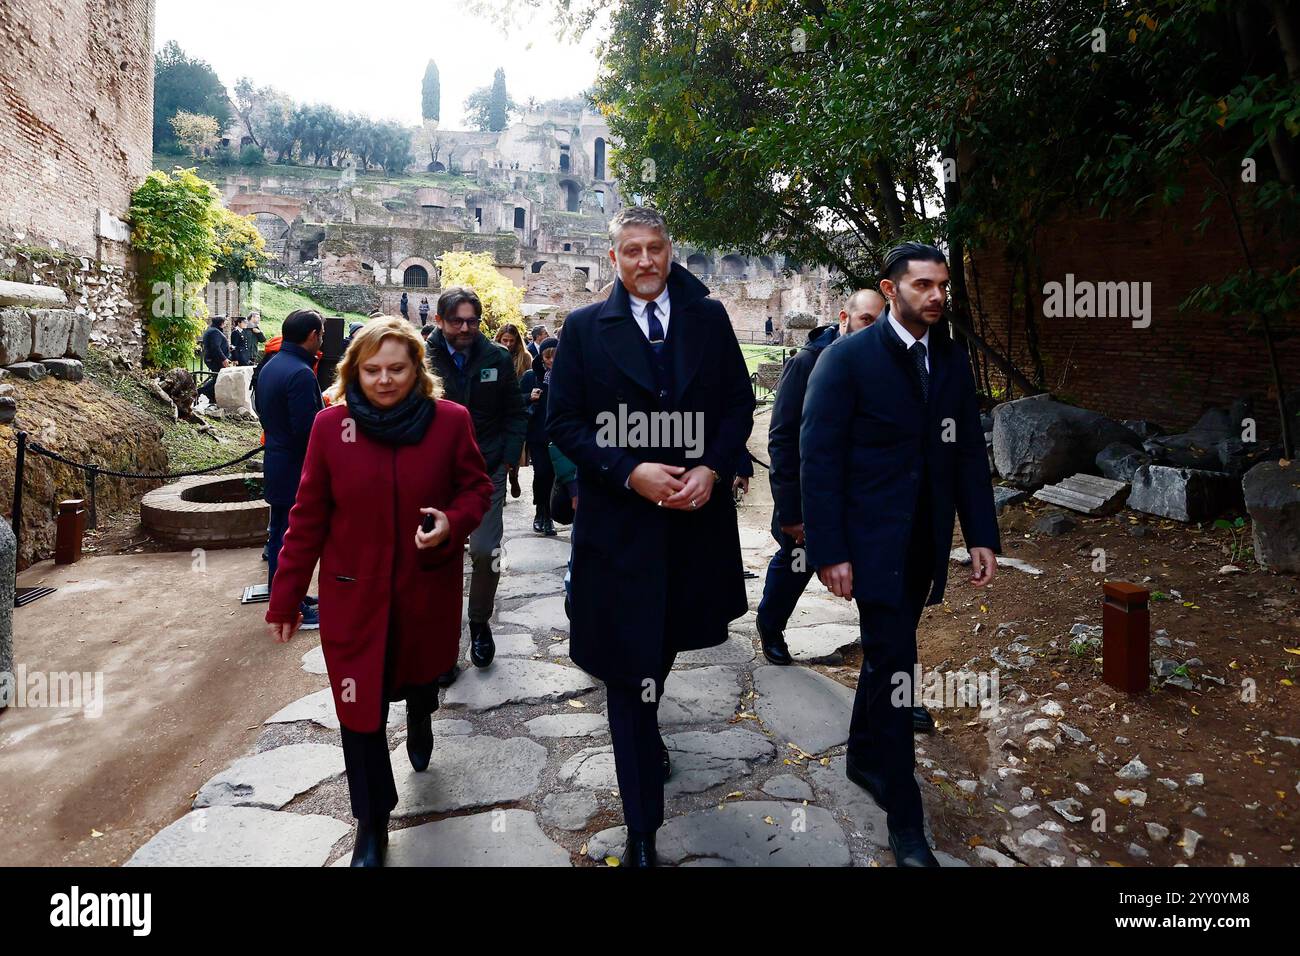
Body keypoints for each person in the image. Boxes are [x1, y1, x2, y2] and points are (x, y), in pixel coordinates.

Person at [547, 206, 754, 867]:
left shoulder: (709, 319)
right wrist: (627, 469)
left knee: (659, 649)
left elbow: (736, 406)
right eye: (631, 250)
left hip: (692, 530)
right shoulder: (583, 329)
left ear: (670, 252)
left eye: (655, 248)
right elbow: (564, 423)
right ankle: (642, 832)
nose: (644, 260)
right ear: (614, 259)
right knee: (626, 663)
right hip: (620, 529)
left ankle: (648, 708)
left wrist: (713, 466)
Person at [266, 318, 493, 867]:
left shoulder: (448, 421)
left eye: (397, 368)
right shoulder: (330, 428)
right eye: (372, 370)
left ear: (417, 369)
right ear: (353, 372)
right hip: (354, 597)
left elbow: (477, 489)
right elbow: (308, 516)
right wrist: (287, 594)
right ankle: (372, 821)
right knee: (357, 709)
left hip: (424, 590)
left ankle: (420, 711)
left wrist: (452, 520)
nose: (385, 380)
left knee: (417, 679)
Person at [800, 242, 999, 868]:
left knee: (888, 653)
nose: (937, 296)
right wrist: (828, 550)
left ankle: (863, 757)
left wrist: (982, 535)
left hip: (925, 545)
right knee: (897, 664)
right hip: (869, 546)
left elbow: (967, 452)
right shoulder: (848, 359)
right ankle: (905, 817)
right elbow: (819, 457)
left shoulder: (952, 361)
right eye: (923, 286)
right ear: (891, 290)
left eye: (943, 285)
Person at [757, 289, 883, 666]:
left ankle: (885, 666)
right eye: (865, 320)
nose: (872, 330)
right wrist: (791, 510)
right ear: (844, 318)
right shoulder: (808, 363)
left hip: (861, 498)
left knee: (874, 584)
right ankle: (771, 625)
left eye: (881, 323)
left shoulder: (885, 366)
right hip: (812, 495)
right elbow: (782, 438)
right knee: (798, 563)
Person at [424, 287, 527, 674]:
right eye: (457, 321)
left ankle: (480, 622)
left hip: (485, 471)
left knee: (485, 551)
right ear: (439, 320)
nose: (466, 328)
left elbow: (515, 412)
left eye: (472, 321)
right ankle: (444, 644)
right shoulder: (420, 357)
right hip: (434, 474)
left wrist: (506, 457)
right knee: (439, 556)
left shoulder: (497, 358)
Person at [254, 309, 326, 631]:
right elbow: (307, 430)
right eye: (321, 335)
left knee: (280, 532)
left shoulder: (272, 365)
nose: (321, 341)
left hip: (277, 459)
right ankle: (290, 601)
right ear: (312, 335)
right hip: (294, 465)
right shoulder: (300, 372)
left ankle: (287, 594)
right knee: (288, 536)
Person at [519, 337, 558, 534]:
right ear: (541, 357)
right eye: (547, 357)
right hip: (537, 434)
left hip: (560, 435)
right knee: (541, 473)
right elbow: (516, 401)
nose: (551, 361)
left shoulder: (567, 375)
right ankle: (540, 511)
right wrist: (529, 397)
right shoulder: (531, 376)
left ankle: (549, 515)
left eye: (555, 356)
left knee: (554, 475)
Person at [496, 322, 533, 499]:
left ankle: (514, 475)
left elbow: (528, 385)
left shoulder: (525, 358)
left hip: (517, 408)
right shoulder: (493, 355)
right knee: (498, 449)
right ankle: (500, 488)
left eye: (511, 340)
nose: (508, 344)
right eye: (505, 340)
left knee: (515, 448)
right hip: (497, 411)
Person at [199, 315, 231, 402]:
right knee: (219, 378)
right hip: (215, 360)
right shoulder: (215, 332)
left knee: (217, 378)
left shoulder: (212, 330)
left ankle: (211, 397)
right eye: (225, 322)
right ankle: (201, 392)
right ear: (221, 323)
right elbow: (215, 347)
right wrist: (224, 359)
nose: (225, 324)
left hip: (214, 359)